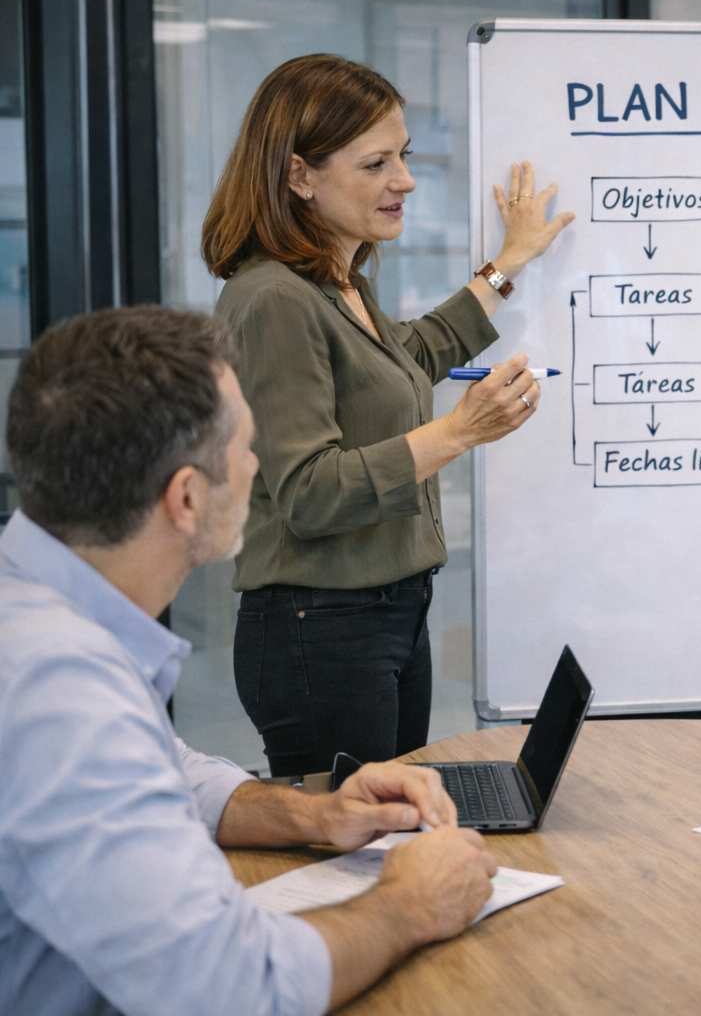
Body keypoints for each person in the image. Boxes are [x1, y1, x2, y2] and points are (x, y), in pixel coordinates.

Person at [0, 306, 503, 1015]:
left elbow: (167, 769)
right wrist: (409, 904)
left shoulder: (38, 612)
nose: (257, 466)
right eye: (245, 447)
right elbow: (232, 990)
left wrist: (316, 815)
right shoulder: (59, 693)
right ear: (186, 497)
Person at [202, 53, 574, 777]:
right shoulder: (274, 299)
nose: (405, 180)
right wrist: (459, 431)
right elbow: (310, 492)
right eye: (376, 164)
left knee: (395, 825)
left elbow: (410, 357)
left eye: (402, 156)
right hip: (323, 630)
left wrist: (508, 264)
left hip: (387, 616)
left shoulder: (338, 284)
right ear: (299, 175)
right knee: (359, 836)